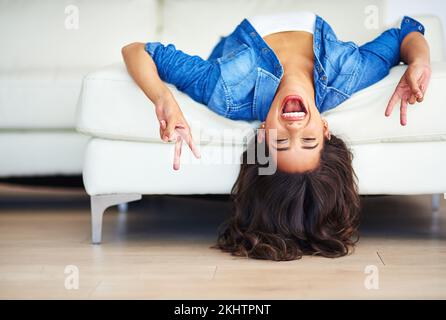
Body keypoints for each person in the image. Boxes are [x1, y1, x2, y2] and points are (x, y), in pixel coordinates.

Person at [122, 12, 431, 260]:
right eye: (308, 141)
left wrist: (162, 98)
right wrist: (420, 61)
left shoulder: (226, 90)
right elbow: (407, 32)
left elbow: (137, 50)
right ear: (325, 129)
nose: (295, 130)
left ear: (261, 136)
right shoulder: (347, 73)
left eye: (281, 142)